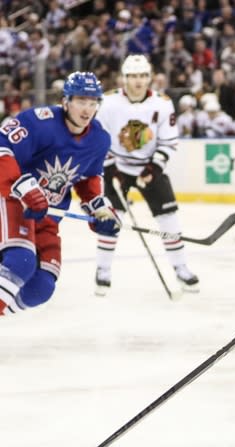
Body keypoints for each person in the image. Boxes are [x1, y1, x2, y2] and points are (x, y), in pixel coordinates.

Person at [0, 71, 121, 315]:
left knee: (41, 288)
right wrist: (25, 188)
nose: (87, 109)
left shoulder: (99, 139)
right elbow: (2, 147)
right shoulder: (38, 122)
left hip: (48, 215)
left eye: (92, 102)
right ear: (65, 101)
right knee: (20, 262)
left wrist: (101, 211)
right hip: (14, 200)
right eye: (80, 101)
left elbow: (89, 179)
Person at [93, 54, 198, 296]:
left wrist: (153, 169)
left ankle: (181, 268)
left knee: (169, 218)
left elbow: (169, 141)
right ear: (124, 78)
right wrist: (110, 169)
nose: (138, 81)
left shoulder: (162, 103)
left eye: (142, 76)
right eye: (132, 76)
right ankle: (103, 270)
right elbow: (98, 138)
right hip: (117, 166)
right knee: (110, 217)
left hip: (149, 166)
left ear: (149, 77)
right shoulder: (107, 102)